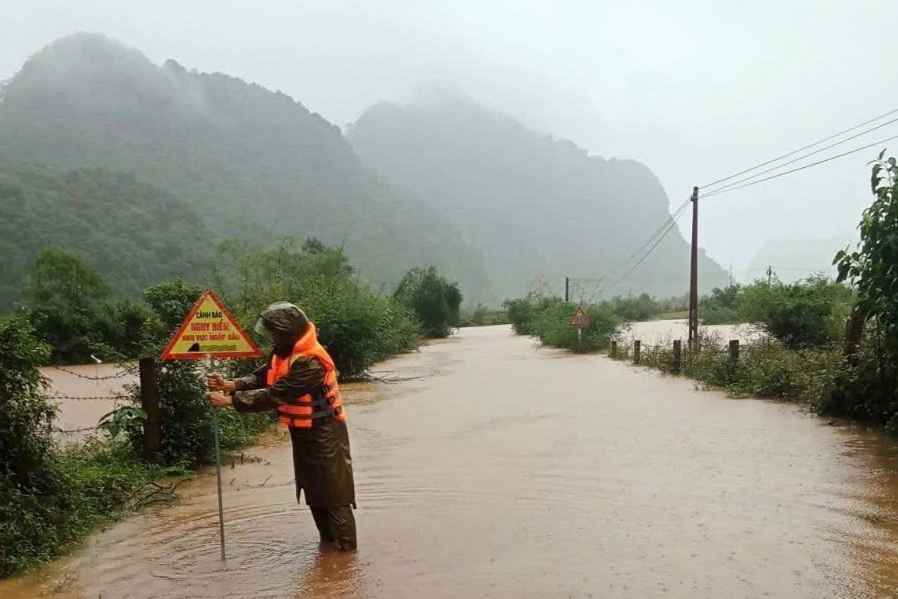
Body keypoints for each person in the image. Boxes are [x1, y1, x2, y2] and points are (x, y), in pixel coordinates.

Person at [205, 301, 357, 551]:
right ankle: (328, 551)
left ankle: (347, 560)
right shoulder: (283, 352)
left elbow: (277, 393)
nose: (272, 338)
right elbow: (263, 375)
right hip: (303, 434)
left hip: (325, 433)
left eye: (275, 333)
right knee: (314, 493)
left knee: (334, 495)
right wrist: (231, 384)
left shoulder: (310, 363)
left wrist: (229, 401)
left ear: (289, 332)